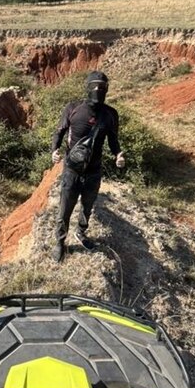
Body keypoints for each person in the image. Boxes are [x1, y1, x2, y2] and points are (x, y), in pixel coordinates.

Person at [50, 71, 125, 262]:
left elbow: (113, 140)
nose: (98, 90)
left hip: (94, 170)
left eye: (102, 86)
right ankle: (60, 242)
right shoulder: (73, 108)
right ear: (88, 86)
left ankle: (81, 233)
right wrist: (54, 150)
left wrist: (118, 154)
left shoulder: (110, 114)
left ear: (107, 89)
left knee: (87, 206)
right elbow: (59, 131)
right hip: (72, 169)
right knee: (65, 208)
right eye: (95, 86)